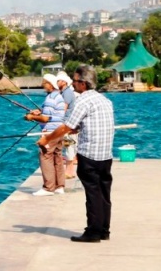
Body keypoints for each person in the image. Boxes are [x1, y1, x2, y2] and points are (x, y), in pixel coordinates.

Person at [36, 65, 115, 243]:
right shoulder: (105, 100)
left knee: (92, 195)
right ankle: (104, 230)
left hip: (90, 156)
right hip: (106, 156)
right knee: (104, 194)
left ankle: (93, 232)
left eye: (76, 81)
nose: (74, 85)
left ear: (83, 83)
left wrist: (46, 139)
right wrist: (78, 128)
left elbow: (65, 127)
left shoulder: (83, 101)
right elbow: (92, 124)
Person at [24, 73, 66, 196]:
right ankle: (59, 186)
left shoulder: (50, 98)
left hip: (50, 132)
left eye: (44, 83)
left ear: (50, 85)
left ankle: (48, 188)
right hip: (60, 130)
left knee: (45, 156)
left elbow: (45, 119)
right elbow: (51, 113)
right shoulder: (58, 96)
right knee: (57, 157)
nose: (43, 85)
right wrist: (39, 112)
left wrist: (31, 117)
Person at [56, 71, 77, 179]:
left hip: (67, 124)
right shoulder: (64, 92)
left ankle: (69, 172)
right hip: (66, 123)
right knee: (69, 146)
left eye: (58, 80)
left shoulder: (67, 93)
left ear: (64, 82)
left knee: (69, 146)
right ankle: (70, 171)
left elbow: (62, 110)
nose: (56, 82)